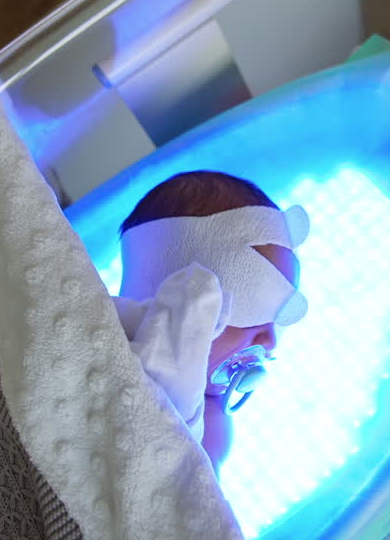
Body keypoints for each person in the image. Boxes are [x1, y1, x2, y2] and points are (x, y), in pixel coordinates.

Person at [110, 171, 308, 470]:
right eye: (254, 303)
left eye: (279, 315)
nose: (270, 341)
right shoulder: (106, 343)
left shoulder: (215, 418)